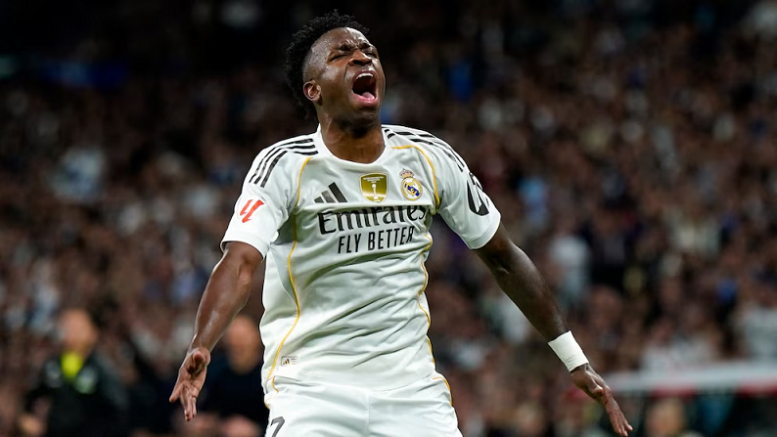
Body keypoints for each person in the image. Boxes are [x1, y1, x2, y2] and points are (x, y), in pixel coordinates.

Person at [170, 11, 632, 437]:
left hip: (414, 396)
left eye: (368, 51)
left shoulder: (428, 157)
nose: (361, 57)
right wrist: (202, 343)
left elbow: (504, 258)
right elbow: (240, 262)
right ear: (314, 90)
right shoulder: (285, 166)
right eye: (341, 54)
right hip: (313, 392)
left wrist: (573, 358)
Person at [20, 309, 129, 437]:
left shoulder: (100, 368)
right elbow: (36, 393)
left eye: (77, 328)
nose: (71, 333)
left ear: (92, 333)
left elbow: (117, 406)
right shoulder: (54, 364)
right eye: (67, 327)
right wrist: (29, 416)